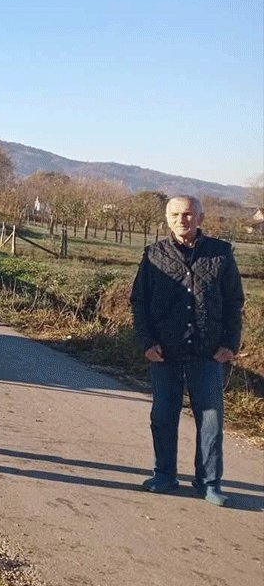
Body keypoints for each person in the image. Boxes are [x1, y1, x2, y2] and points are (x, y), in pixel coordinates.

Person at [131, 195, 242, 507]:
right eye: (176, 214)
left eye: (189, 214)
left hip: (207, 352)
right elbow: (139, 302)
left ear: (200, 218)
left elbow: (234, 302)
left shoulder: (221, 254)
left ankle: (208, 482)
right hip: (164, 352)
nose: (183, 220)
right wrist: (146, 343)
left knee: (210, 419)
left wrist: (229, 344)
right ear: (168, 219)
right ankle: (164, 475)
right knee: (163, 415)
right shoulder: (153, 255)